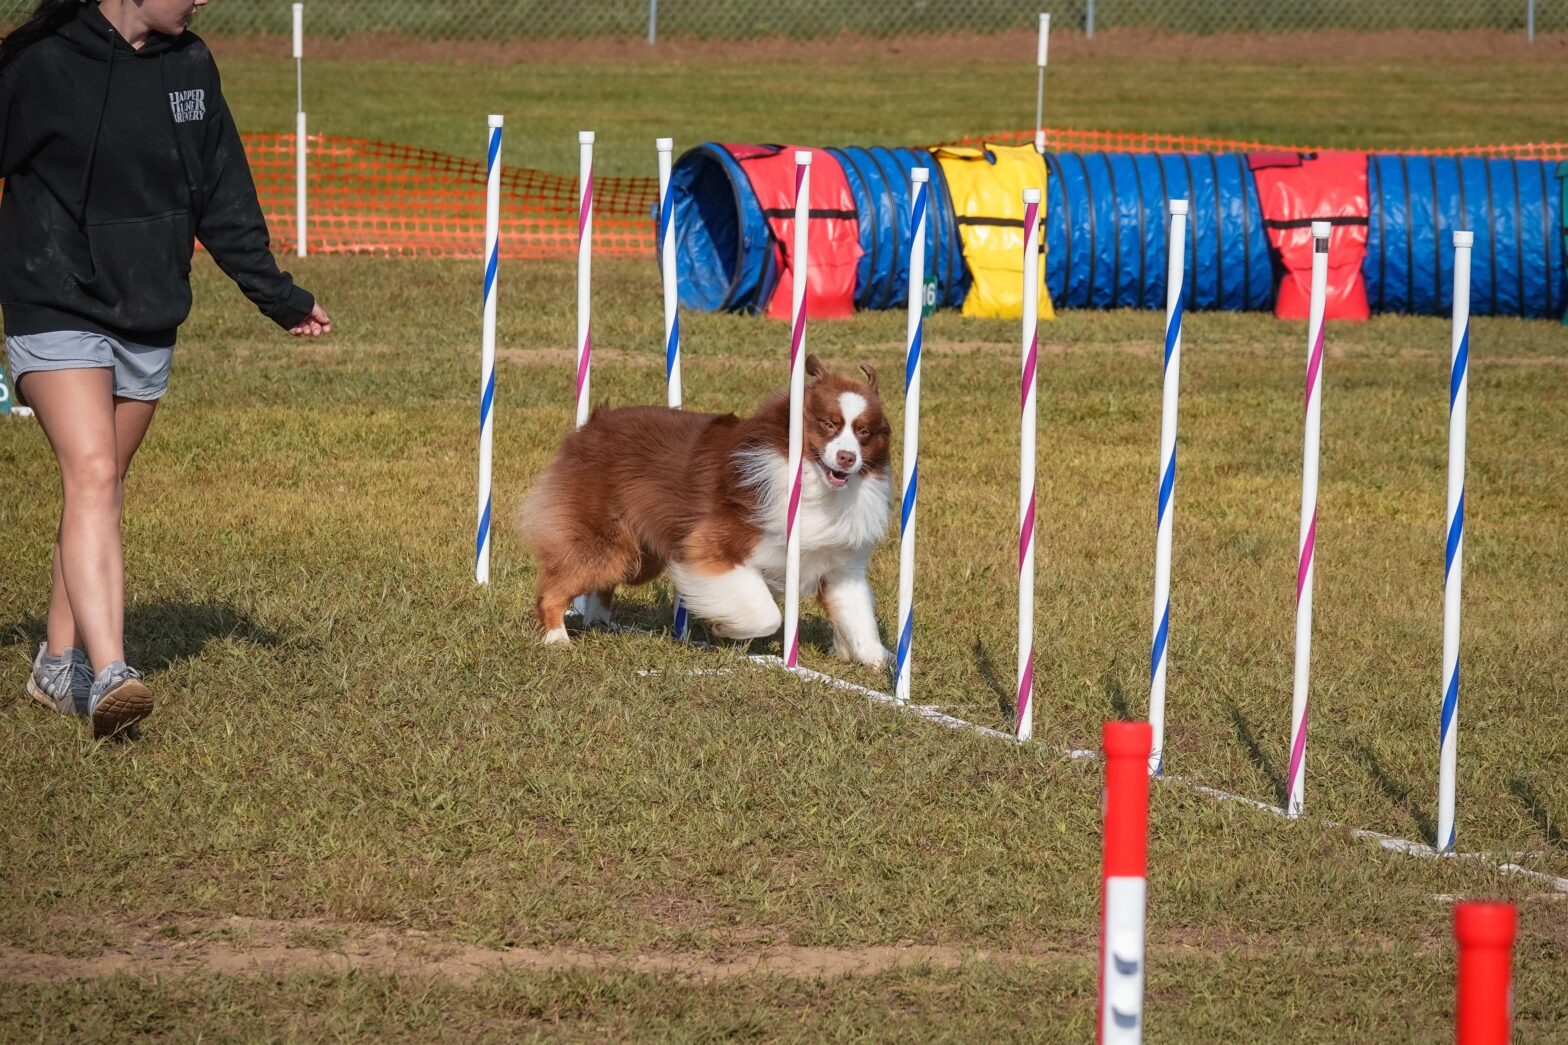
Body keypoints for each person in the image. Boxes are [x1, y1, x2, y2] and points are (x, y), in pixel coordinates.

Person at [1, 0, 331, 738]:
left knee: (101, 484)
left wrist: (278, 297)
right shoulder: (40, 63)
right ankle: (111, 670)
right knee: (90, 472)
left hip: (148, 309)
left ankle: (57, 661)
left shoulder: (191, 66)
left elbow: (224, 195)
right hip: (53, 296)